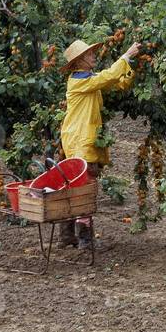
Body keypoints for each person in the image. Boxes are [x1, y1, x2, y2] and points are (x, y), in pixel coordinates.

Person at [58, 38, 140, 248]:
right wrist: (126, 55)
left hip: (80, 140)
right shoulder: (79, 81)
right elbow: (109, 75)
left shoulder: (89, 80)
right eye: (89, 54)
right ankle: (85, 239)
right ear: (78, 62)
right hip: (81, 142)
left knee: (74, 188)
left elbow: (119, 82)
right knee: (86, 187)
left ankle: (66, 236)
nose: (94, 56)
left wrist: (132, 65)